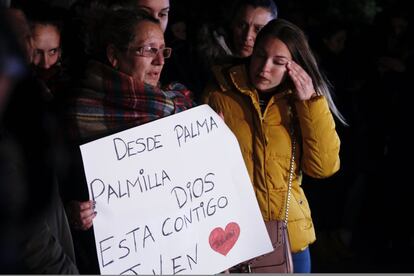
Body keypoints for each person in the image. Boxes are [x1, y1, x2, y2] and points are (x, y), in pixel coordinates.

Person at [203, 18, 344, 273]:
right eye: (260, 55)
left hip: (290, 240)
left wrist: (310, 102)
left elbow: (323, 167)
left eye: (278, 62)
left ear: (294, 66)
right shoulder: (219, 95)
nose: (264, 68)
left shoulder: (300, 103)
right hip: (236, 240)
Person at [61, 9, 194, 274]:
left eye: (163, 51)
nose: (159, 62)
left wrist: (215, 142)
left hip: (179, 254)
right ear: (114, 56)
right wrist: (71, 212)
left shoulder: (178, 106)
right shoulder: (76, 114)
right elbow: (53, 190)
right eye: (148, 50)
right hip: (116, 259)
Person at [194, 0, 277, 101]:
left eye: (258, 29)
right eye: (242, 25)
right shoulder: (204, 60)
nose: (247, 36)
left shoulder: (278, 69)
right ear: (232, 24)